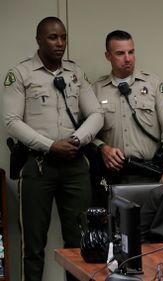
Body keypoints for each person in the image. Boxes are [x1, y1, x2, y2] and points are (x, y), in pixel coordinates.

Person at [2, 17, 103, 281]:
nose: (60, 43)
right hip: (38, 166)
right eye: (52, 37)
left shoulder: (75, 73)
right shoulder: (21, 74)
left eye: (63, 37)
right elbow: (11, 121)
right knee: (33, 245)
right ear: (38, 40)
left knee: (81, 243)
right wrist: (49, 146)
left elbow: (96, 113)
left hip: (75, 165)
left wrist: (78, 140)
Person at [93, 30, 163, 189]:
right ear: (108, 56)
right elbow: (86, 134)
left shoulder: (153, 83)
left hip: (150, 173)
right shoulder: (96, 89)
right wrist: (102, 148)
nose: (128, 58)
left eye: (131, 52)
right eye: (120, 53)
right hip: (112, 176)